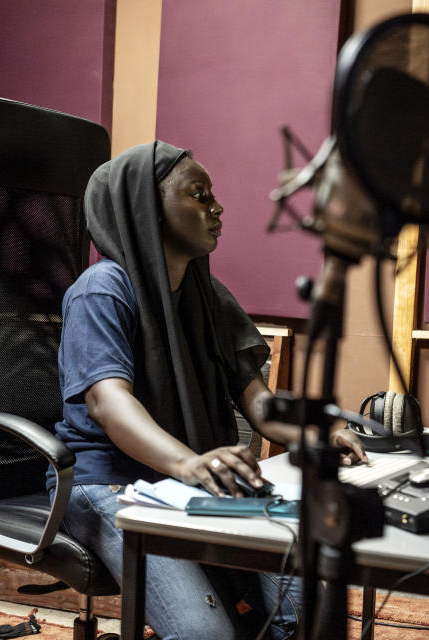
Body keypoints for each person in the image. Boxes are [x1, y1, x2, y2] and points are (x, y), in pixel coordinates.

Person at [47, 140, 367, 640]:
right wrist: (189, 463)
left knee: (307, 603)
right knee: (208, 635)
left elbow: (257, 399)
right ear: (146, 209)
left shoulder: (208, 294)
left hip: (185, 479)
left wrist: (313, 435)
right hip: (107, 483)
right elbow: (109, 403)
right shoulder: (102, 289)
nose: (216, 207)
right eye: (198, 194)